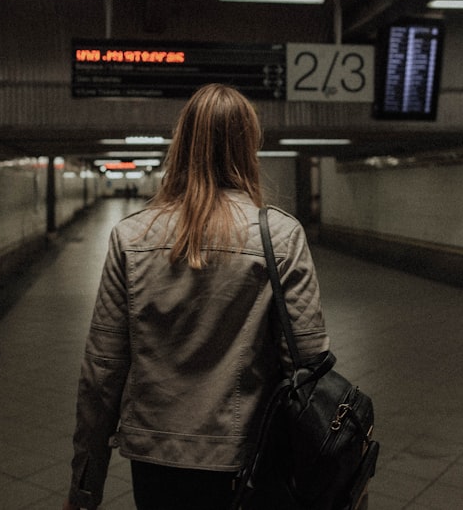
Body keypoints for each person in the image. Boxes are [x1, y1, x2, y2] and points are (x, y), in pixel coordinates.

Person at [64, 83, 329, 510]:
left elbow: (102, 373)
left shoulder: (131, 237)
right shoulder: (280, 235)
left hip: (156, 457)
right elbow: (309, 364)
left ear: (181, 144)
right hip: (250, 457)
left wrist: (84, 488)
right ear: (248, 146)